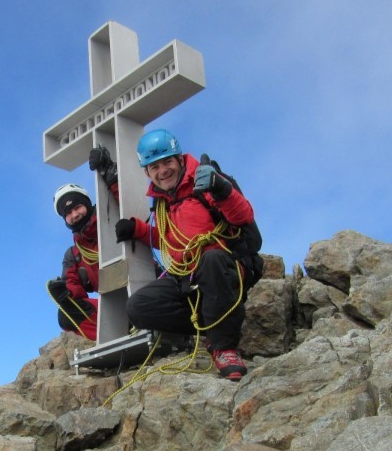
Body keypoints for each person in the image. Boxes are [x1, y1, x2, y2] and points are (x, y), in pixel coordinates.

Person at [113, 128, 260, 381]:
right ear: (146, 172)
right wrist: (138, 230)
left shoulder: (205, 180)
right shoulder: (162, 202)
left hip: (224, 270)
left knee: (211, 258)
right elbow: (172, 239)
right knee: (138, 307)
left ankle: (224, 346)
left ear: (180, 159)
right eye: (154, 166)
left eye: (168, 161)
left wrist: (221, 189)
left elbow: (243, 216)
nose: (163, 171)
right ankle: (215, 321)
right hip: (188, 278)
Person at [47, 183, 100, 341]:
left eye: (77, 207)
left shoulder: (114, 219)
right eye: (68, 213)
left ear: (88, 204)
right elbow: (73, 286)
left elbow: (121, 194)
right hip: (114, 305)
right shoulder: (73, 255)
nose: (75, 215)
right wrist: (65, 293)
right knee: (67, 314)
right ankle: (116, 334)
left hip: (144, 289)